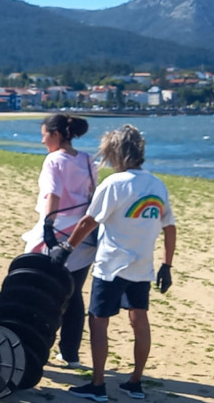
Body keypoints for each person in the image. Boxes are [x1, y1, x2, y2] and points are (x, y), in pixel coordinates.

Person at [54, 125, 176, 402]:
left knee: (98, 322)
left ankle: (98, 385)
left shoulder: (114, 183)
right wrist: (167, 265)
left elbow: (88, 221)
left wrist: (66, 247)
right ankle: (135, 383)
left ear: (115, 152)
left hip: (110, 267)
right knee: (139, 319)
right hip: (142, 266)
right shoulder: (157, 184)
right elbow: (170, 227)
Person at [21, 114, 98, 368]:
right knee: (74, 294)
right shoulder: (87, 160)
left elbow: (52, 194)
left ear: (55, 134)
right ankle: (70, 353)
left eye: (44, 135)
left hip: (58, 232)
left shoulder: (53, 160)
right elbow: (93, 197)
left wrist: (48, 226)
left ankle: (36, 344)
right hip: (82, 236)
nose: (42, 140)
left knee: (43, 291)